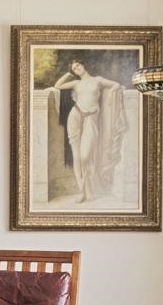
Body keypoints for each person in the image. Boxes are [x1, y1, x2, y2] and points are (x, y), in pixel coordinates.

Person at [52, 59, 124, 203]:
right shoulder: (76, 83)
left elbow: (115, 84)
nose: (77, 68)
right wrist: (68, 73)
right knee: (77, 157)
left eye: (78, 65)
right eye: (74, 68)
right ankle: (84, 192)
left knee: (85, 156)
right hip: (75, 116)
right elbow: (57, 85)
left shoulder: (97, 80)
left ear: (83, 64)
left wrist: (115, 91)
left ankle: (87, 191)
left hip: (91, 119)